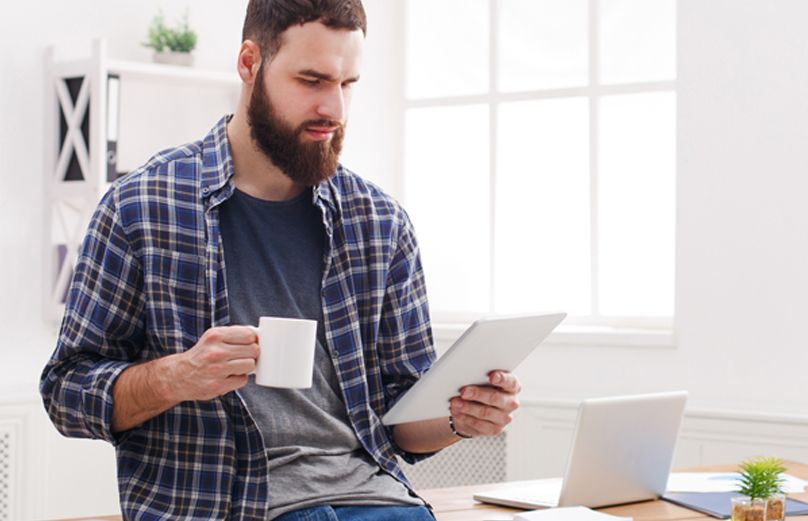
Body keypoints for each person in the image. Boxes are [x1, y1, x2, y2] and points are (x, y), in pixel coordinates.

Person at [39, 1, 521, 519]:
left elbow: (401, 424)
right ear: (249, 63)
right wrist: (176, 377)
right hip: (222, 505)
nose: (333, 108)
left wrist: (460, 418)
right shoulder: (142, 207)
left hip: (375, 502)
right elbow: (67, 393)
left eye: (347, 83)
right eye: (311, 80)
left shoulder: (380, 222)